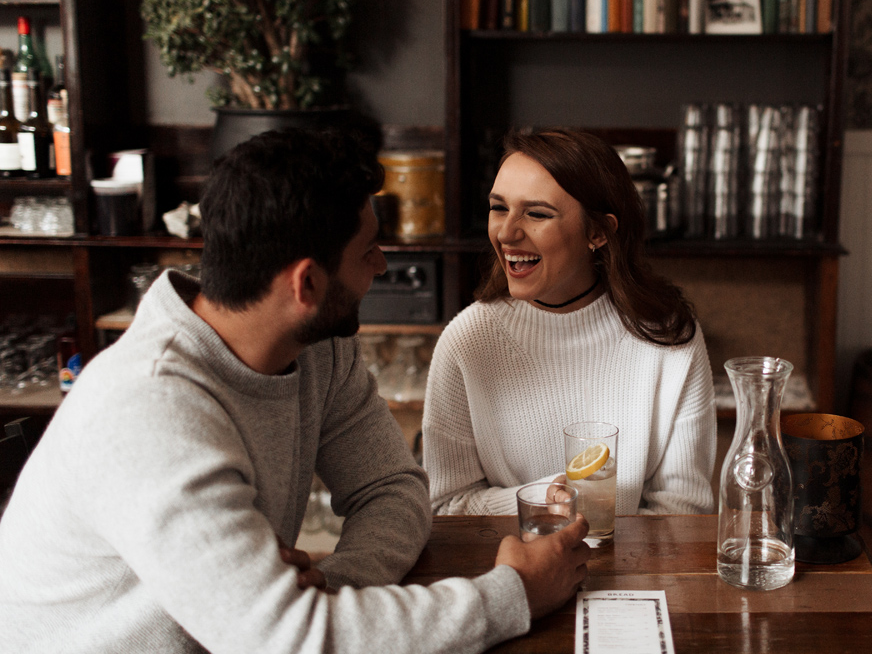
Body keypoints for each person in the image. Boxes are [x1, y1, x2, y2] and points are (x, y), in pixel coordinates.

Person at [0, 128, 590, 653]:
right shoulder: (150, 411)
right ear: (306, 283)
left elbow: (391, 488)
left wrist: (330, 588)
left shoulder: (315, 349)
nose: (382, 266)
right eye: (367, 252)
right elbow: (288, 639)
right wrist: (515, 594)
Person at [423, 128, 716, 517]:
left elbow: (684, 509)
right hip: (509, 572)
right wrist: (542, 502)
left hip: (635, 575)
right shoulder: (466, 341)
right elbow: (446, 505)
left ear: (598, 232)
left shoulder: (670, 339)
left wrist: (596, 549)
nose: (507, 232)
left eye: (537, 213)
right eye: (498, 207)